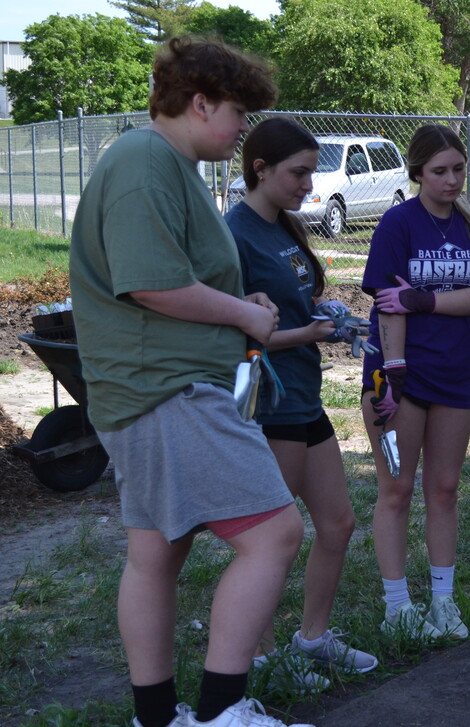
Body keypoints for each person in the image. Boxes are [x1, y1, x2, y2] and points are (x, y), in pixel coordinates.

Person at [69, 37, 314, 727]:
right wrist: (244, 314)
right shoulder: (146, 161)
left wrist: (243, 313)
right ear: (199, 101)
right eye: (237, 111)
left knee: (156, 554)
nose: (242, 129)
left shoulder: (166, 164)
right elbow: (148, 283)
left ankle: (159, 718)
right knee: (273, 534)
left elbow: (182, 280)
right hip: (166, 389)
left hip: (146, 388)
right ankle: (222, 711)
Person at [225, 117, 378, 692]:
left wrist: (324, 320)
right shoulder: (234, 235)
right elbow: (236, 333)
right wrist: (307, 335)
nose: (309, 186)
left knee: (337, 523)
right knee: (270, 540)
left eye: (312, 172)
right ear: (260, 169)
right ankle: (259, 657)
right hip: (268, 405)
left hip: (303, 398)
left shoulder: (284, 228)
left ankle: (311, 640)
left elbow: (289, 305)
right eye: (298, 172)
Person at [360, 123, 470, 641]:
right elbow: (386, 305)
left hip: (454, 376)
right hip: (398, 381)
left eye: (458, 169)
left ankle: (443, 604)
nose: (451, 180)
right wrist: (391, 377)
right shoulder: (398, 225)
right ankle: (397, 607)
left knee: (444, 489)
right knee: (396, 489)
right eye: (439, 171)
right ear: (417, 171)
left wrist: (425, 299)